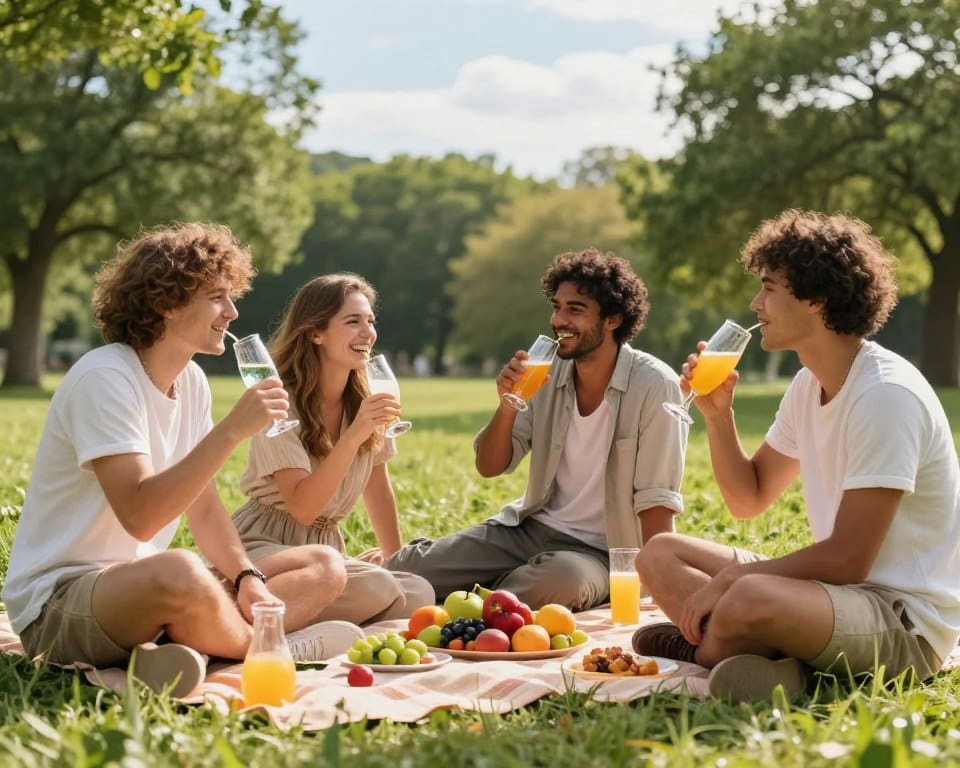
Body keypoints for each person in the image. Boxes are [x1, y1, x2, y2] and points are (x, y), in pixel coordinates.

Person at [2, 223, 361, 698]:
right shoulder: (105, 378)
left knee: (325, 564)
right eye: (217, 297)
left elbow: (205, 507)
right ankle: (269, 649)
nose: (232, 312)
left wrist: (246, 577)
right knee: (181, 570)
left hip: (139, 590)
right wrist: (231, 431)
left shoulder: (191, 381)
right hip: (61, 603)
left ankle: (186, 650)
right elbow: (141, 516)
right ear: (166, 303)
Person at [634, 210, 960, 703]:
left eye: (768, 288)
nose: (755, 303)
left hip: (901, 623)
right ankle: (755, 657)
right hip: (834, 600)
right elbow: (750, 498)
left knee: (746, 594)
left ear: (816, 300)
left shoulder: (886, 395)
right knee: (659, 552)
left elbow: (849, 558)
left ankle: (718, 650)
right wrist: (719, 415)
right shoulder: (810, 384)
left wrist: (733, 578)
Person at [387, 248, 688, 610]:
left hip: (604, 551)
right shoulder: (546, 373)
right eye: (557, 306)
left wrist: (658, 588)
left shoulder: (655, 386)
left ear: (612, 320)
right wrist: (507, 404)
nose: (559, 319)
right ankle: (498, 590)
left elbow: (657, 500)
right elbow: (490, 466)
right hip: (530, 530)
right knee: (408, 569)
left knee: (558, 583)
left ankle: (489, 595)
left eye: (575, 309)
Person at [231, 274, 435, 624]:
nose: (367, 333)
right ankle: (235, 607)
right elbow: (303, 508)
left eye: (370, 321)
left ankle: (303, 626)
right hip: (264, 542)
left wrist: (394, 559)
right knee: (377, 589)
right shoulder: (281, 402)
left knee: (418, 590)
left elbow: (378, 489)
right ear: (315, 333)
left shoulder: (364, 399)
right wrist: (354, 435)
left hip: (326, 548)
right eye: (353, 321)